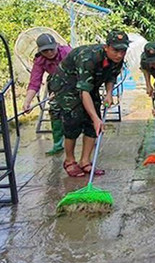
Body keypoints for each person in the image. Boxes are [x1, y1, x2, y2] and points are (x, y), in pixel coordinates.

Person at [48, 30, 128, 177]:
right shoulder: (88, 58)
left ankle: (85, 161)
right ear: (106, 47)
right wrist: (95, 118)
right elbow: (83, 92)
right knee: (74, 119)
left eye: (123, 51)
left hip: (90, 85)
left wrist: (109, 94)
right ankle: (70, 161)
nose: (120, 54)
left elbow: (111, 76)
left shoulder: (118, 59)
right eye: (116, 50)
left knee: (93, 124)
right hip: (66, 85)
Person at [23, 33, 71, 155]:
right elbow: (35, 82)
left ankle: (90, 136)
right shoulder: (40, 60)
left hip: (75, 81)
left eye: (51, 49)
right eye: (45, 51)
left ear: (56, 46)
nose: (49, 52)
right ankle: (57, 144)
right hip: (56, 84)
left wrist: (65, 89)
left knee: (76, 113)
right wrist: (27, 101)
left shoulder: (67, 52)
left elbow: (79, 72)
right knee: (55, 110)